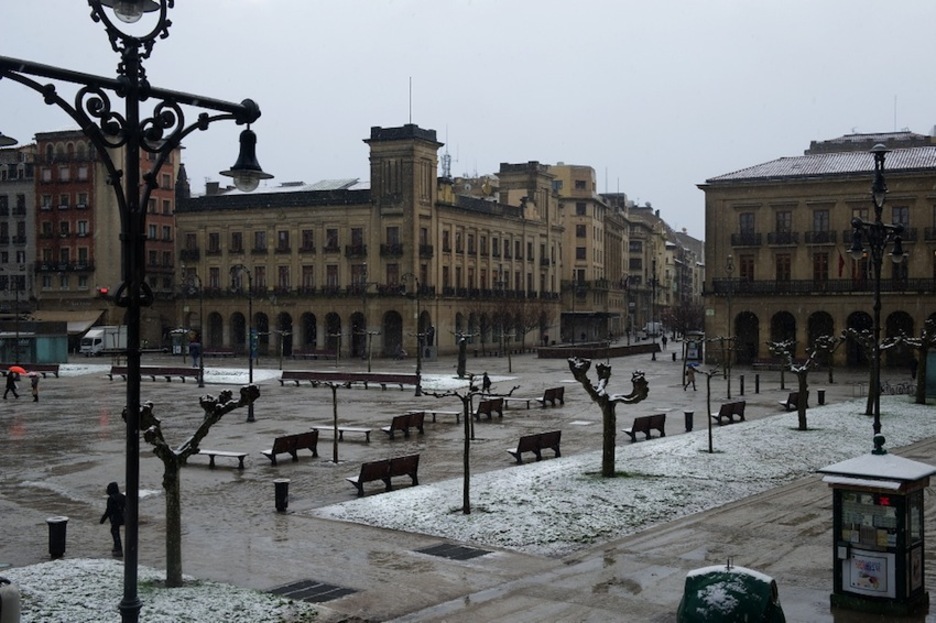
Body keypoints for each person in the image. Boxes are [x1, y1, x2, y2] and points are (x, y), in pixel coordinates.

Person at [99, 481, 126, 557]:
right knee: (115, 532)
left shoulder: (111, 499)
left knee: (114, 532)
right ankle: (119, 548)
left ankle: (118, 549)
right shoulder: (122, 496)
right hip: (123, 518)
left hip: (115, 518)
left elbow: (108, 510)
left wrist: (102, 520)